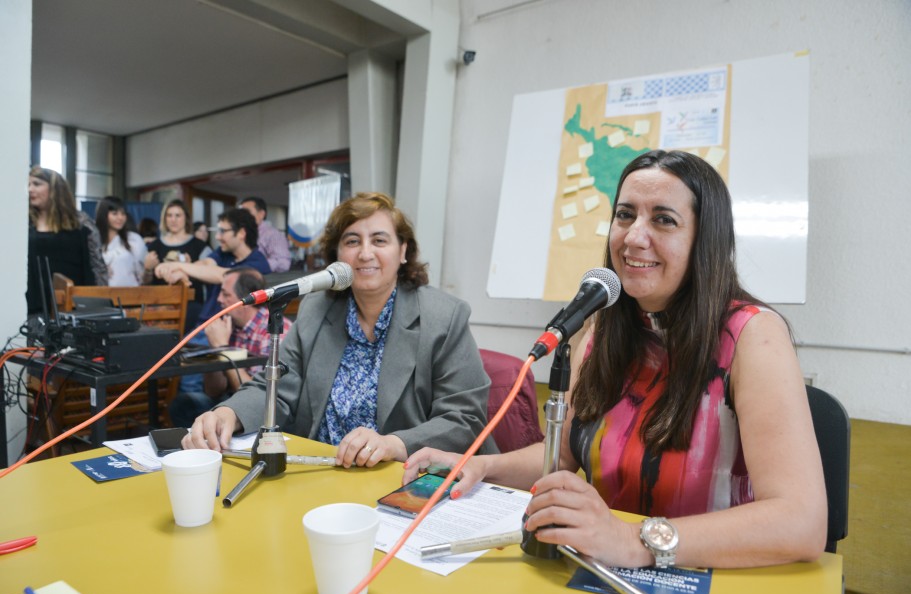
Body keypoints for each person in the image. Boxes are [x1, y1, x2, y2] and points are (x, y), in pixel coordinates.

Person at [403, 150, 827, 570]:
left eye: (663, 219)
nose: (633, 236)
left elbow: (802, 522)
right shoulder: (605, 328)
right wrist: (477, 465)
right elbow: (566, 454)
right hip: (606, 570)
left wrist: (631, 541)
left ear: (705, 240)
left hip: (714, 577)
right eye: (625, 215)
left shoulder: (753, 335)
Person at [182, 192, 495, 467]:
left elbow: (464, 418)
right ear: (337, 257)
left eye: (380, 240)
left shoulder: (444, 316)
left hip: (401, 477)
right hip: (318, 471)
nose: (365, 253)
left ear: (403, 252)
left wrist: (393, 444)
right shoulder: (317, 309)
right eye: (352, 241)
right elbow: (275, 387)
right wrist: (228, 414)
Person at [168, 267, 291, 428]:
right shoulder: (229, 325)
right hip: (229, 398)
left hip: (262, 408)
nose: (219, 299)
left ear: (247, 302)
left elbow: (261, 397)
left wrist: (222, 347)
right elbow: (214, 390)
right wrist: (214, 350)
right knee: (183, 404)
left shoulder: (273, 330)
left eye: (226, 295)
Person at [155, 207, 271, 326]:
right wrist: (181, 272)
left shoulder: (258, 263)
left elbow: (225, 276)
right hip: (203, 325)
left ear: (241, 233)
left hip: (226, 331)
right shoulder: (223, 252)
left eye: (223, 231)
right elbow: (206, 264)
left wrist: (176, 265)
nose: (217, 237)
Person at [26, 166, 97, 314]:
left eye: (37, 184)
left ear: (54, 189)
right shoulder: (24, 226)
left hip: (70, 309)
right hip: (32, 309)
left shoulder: (80, 227)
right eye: (28, 185)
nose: (30, 189)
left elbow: (94, 269)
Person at [143, 199, 211, 325]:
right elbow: (145, 282)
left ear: (186, 218)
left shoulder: (200, 247)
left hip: (191, 310)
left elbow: (210, 278)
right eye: (169, 215)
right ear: (164, 218)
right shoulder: (154, 246)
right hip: (160, 309)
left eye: (178, 215)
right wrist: (147, 268)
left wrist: (191, 269)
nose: (173, 219)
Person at [95, 196, 148, 287]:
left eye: (123, 214)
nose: (120, 218)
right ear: (103, 215)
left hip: (131, 295)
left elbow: (142, 274)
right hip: (103, 295)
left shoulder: (134, 239)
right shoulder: (94, 240)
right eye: (115, 213)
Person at [238, 196, 291, 272]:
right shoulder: (241, 233)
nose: (242, 216)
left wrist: (253, 266)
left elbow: (283, 263)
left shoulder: (273, 235)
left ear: (261, 214)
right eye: (240, 212)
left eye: (246, 212)